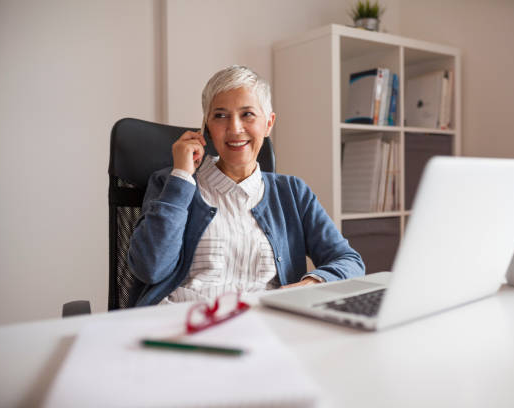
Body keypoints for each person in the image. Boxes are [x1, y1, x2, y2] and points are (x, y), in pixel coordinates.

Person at [128, 65, 364, 306]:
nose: (235, 128)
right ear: (207, 127)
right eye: (220, 115)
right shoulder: (170, 183)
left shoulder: (292, 192)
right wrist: (181, 177)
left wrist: (313, 283)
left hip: (264, 324)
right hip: (183, 322)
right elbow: (150, 268)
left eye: (247, 114)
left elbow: (349, 261)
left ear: (268, 123)